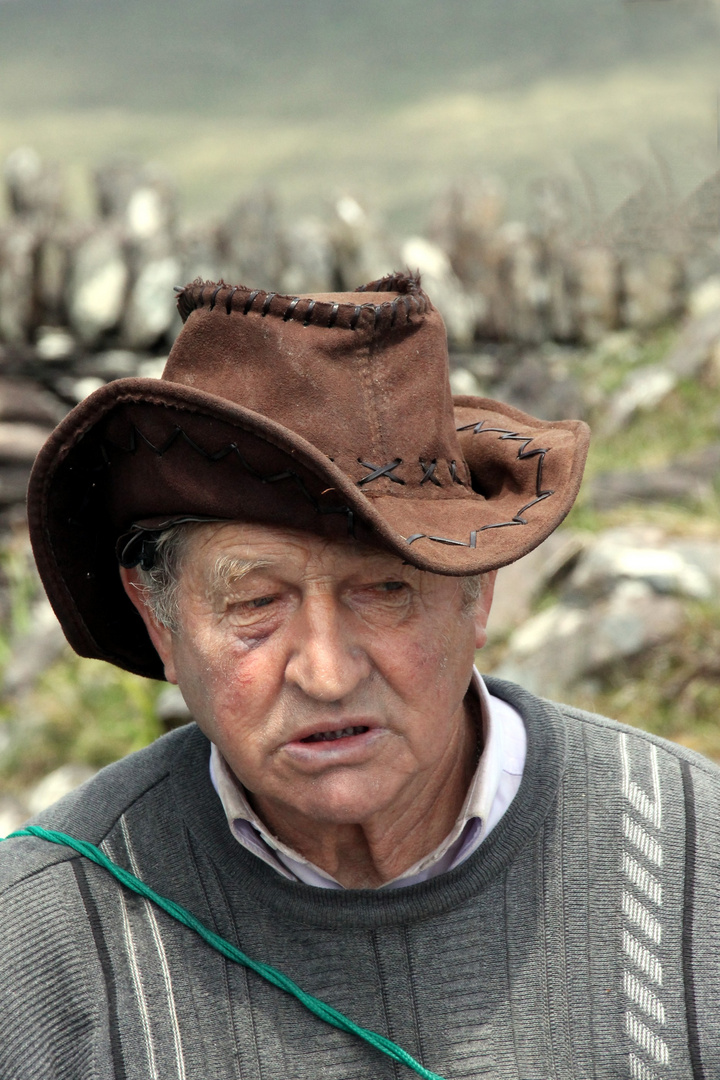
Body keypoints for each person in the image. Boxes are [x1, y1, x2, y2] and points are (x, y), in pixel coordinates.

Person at [0, 271, 717, 1080]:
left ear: (476, 596)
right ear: (159, 619)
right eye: (255, 601)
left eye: (384, 591)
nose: (329, 673)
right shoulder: (40, 936)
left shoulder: (697, 861)